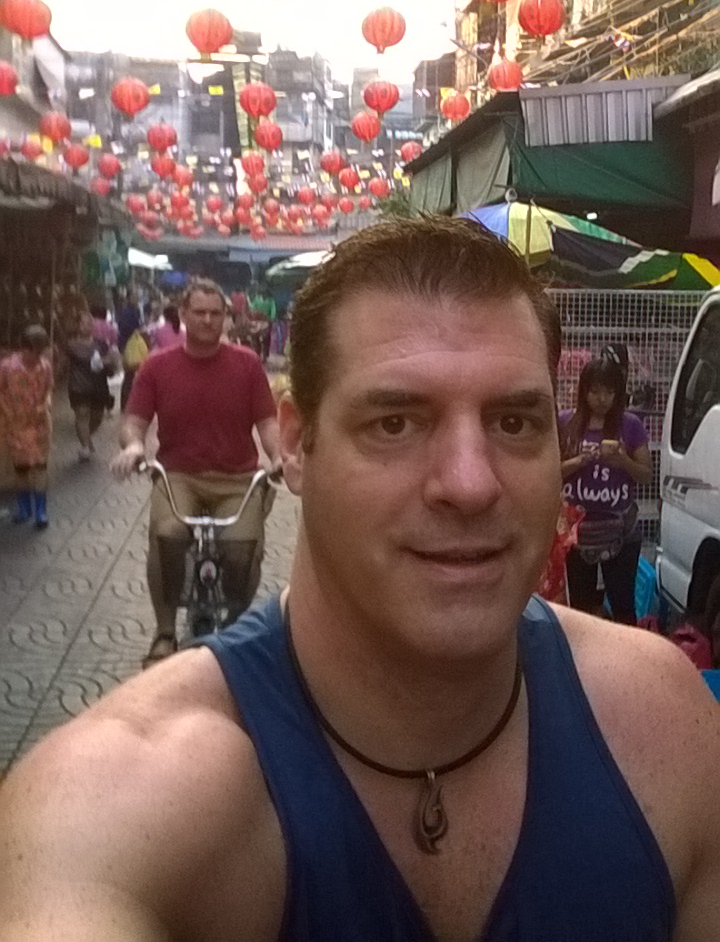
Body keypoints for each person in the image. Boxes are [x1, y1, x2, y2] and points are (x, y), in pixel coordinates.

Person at [1, 218, 719, 942]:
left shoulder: (661, 726)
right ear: (297, 445)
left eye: (513, 422)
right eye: (395, 423)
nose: (470, 484)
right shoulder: (123, 802)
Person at [109, 277, 281, 667]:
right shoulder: (157, 366)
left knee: (243, 547)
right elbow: (134, 421)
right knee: (166, 535)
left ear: (226, 318)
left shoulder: (247, 364)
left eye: (215, 313)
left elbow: (268, 422)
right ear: (183, 315)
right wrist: (134, 446)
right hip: (178, 477)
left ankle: (236, 620)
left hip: (237, 479)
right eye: (199, 312)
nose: (207, 320)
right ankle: (165, 630)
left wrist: (278, 457)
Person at [560, 357, 653, 624]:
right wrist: (578, 462)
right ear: (584, 391)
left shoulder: (630, 424)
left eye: (609, 392)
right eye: (595, 391)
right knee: (580, 608)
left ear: (618, 393)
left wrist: (622, 461)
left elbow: (646, 476)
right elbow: (550, 472)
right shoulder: (566, 422)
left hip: (622, 531)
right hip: (577, 532)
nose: (602, 399)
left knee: (623, 606)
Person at [0, 325, 53, 529]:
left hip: (39, 426)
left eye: (40, 352)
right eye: (34, 352)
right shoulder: (7, 367)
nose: (38, 357)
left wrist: (46, 403)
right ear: (24, 348)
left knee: (40, 467)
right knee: (21, 469)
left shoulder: (45, 366)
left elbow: (49, 389)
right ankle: (24, 508)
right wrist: (8, 411)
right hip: (15, 427)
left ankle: (41, 511)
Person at [66, 312, 120, 461]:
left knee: (97, 417)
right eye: (83, 323)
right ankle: (85, 447)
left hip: (98, 386)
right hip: (78, 386)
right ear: (77, 325)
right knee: (82, 414)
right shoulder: (71, 345)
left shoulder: (101, 344)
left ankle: (86, 437)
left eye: (89, 323)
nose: (87, 326)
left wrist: (112, 363)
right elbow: (72, 361)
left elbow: (110, 364)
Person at [248, 279, 276, 363]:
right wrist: (254, 314)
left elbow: (273, 311)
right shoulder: (257, 298)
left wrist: (270, 319)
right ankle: (257, 354)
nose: (263, 294)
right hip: (257, 321)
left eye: (265, 293)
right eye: (262, 293)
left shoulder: (270, 300)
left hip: (266, 321)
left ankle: (265, 355)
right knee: (255, 337)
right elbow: (253, 308)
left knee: (266, 339)